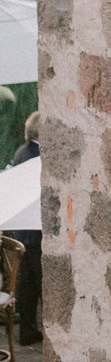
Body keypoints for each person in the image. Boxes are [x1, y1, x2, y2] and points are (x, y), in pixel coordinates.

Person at [8, 111, 41, 344]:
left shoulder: (21, 152)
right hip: (36, 230)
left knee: (27, 287)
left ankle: (28, 332)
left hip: (22, 233)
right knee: (43, 285)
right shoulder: (38, 157)